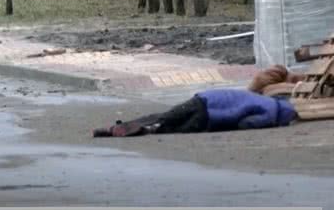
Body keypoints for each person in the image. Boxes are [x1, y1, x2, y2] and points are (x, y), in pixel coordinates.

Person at [92, 88, 297, 137]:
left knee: (165, 115)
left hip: (203, 98)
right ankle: (129, 131)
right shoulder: (270, 114)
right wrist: (270, 125)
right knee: (168, 128)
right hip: (208, 117)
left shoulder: (264, 99)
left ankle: (116, 127)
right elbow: (245, 124)